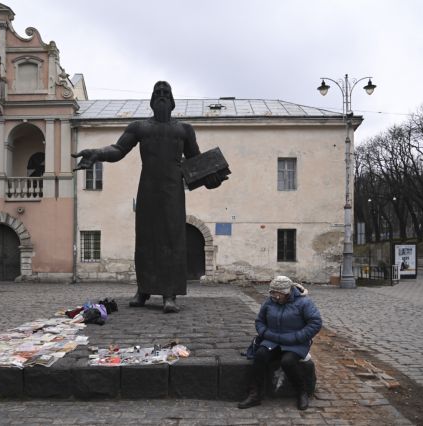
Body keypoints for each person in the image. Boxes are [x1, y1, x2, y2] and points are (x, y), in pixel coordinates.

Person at [72, 81, 225, 313]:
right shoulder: (139, 127)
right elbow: (118, 150)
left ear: (172, 101)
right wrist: (97, 153)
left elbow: (196, 162)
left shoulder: (184, 129)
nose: (162, 97)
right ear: (152, 101)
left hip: (173, 189)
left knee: (172, 239)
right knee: (145, 238)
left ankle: (169, 294)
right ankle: (143, 290)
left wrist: (211, 179)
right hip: (148, 187)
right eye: (158, 93)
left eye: (166, 93)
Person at [238, 276, 322, 410]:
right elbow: (259, 321)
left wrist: (297, 337)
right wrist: (265, 333)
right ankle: (255, 395)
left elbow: (315, 322)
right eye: (272, 292)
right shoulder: (269, 302)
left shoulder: (304, 302)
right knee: (260, 355)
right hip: (272, 340)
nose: (275, 296)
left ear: (287, 292)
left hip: (295, 343)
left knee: (287, 361)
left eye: (278, 293)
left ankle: (302, 392)